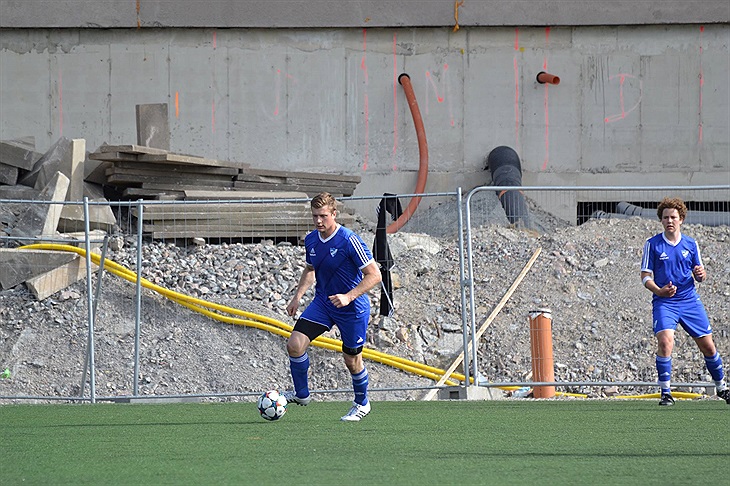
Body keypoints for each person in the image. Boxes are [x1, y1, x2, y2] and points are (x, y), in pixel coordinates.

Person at [284, 192, 382, 421]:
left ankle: (362, 404)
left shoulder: (349, 240)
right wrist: (297, 297)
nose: (318, 221)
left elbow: (374, 275)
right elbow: (310, 269)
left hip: (352, 308)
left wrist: (349, 296)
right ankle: (301, 395)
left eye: (323, 216)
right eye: (315, 216)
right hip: (324, 303)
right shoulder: (312, 240)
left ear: (334, 214)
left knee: (352, 361)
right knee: (295, 345)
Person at [640, 197, 729, 406]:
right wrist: (659, 291)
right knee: (665, 342)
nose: (669, 221)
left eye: (673, 217)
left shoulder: (691, 244)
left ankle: (722, 387)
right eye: (665, 217)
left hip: (689, 301)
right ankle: (666, 393)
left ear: (681, 219)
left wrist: (701, 274)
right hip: (665, 302)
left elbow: (700, 274)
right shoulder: (652, 244)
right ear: (661, 220)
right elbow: (645, 276)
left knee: (709, 347)